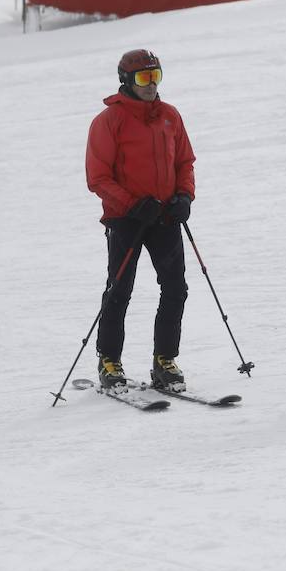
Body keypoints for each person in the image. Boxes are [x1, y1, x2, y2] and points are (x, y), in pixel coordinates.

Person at [85, 49, 197, 392]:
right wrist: (132, 205)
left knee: (176, 287)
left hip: (164, 216)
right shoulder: (109, 121)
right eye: (144, 79)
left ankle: (165, 359)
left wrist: (184, 196)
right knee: (119, 290)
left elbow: (185, 161)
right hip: (126, 220)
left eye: (156, 77)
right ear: (127, 81)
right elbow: (98, 177)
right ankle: (109, 361)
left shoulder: (170, 116)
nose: (151, 86)